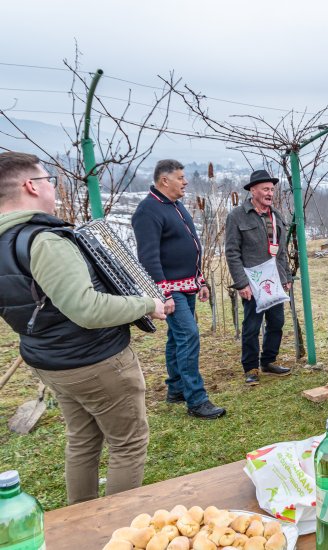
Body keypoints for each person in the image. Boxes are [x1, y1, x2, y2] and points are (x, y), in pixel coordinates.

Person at [0, 152, 166, 504]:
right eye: (48, 180)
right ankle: (116, 532)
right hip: (95, 361)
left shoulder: (4, 241)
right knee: (128, 444)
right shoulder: (43, 240)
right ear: (30, 186)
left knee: (83, 439)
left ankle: (81, 526)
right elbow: (87, 309)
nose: (52, 188)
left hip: (50, 361)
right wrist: (147, 304)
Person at [132, 159, 225, 419]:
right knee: (189, 336)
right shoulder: (147, 211)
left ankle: (176, 388)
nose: (185, 182)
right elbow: (148, 258)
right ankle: (197, 400)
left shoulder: (176, 206)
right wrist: (163, 294)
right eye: (181, 178)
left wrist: (200, 280)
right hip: (170, 289)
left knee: (176, 338)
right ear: (164, 180)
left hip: (187, 285)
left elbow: (191, 247)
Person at [224, 169, 294, 385]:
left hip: (275, 281)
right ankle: (251, 367)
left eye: (272, 189)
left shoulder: (277, 216)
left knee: (277, 322)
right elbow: (232, 252)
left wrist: (287, 277)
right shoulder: (237, 216)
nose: (270, 193)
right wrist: (241, 283)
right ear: (252, 190)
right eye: (265, 189)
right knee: (252, 326)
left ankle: (269, 360)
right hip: (252, 282)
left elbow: (281, 251)